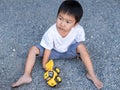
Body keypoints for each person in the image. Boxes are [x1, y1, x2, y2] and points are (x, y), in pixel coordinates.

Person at [11, 0, 103, 89]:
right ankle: (26, 75)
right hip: (52, 52)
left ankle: (91, 74)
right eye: (60, 18)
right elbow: (48, 49)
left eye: (68, 22)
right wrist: (44, 64)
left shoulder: (78, 29)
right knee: (33, 49)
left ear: (75, 24)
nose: (62, 24)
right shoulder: (51, 32)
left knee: (82, 47)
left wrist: (79, 54)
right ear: (57, 16)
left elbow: (79, 43)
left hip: (68, 52)